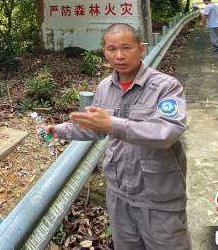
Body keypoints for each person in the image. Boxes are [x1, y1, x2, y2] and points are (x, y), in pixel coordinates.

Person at [46, 24, 189, 250]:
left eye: (126, 48)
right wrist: (59, 130)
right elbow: (96, 128)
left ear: (141, 49)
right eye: (112, 49)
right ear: (104, 52)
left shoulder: (166, 86)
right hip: (118, 194)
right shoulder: (105, 86)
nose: (119, 55)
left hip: (158, 197)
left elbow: (167, 132)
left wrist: (113, 124)